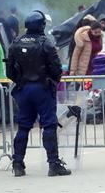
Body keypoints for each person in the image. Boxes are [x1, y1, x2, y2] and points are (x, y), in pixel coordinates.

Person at [6, 11, 70, 177]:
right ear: (42, 25)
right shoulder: (46, 43)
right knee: (49, 125)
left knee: (23, 127)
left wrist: (20, 81)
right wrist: (52, 82)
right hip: (42, 88)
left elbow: (9, 71)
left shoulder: (16, 43)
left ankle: (18, 163)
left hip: (24, 89)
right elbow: (57, 68)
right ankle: (53, 164)